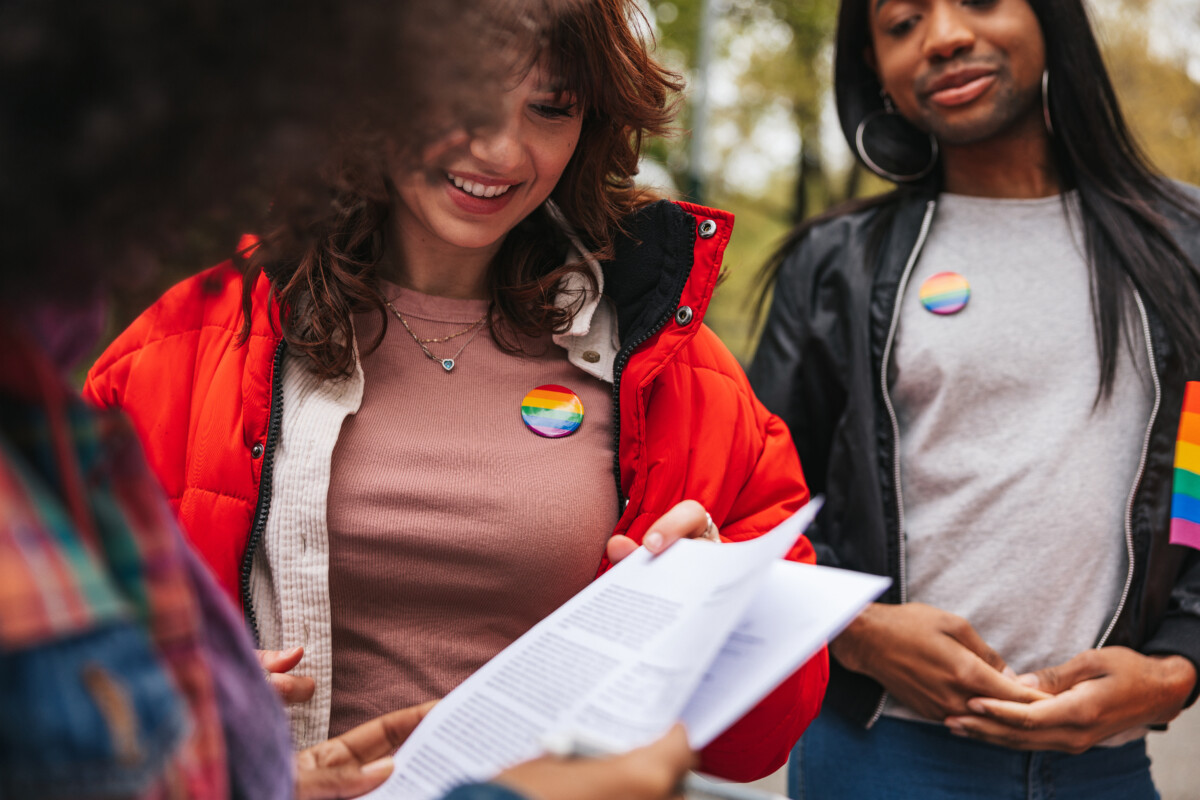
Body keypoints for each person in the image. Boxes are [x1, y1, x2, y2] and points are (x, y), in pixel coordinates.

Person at [84, 0, 828, 783]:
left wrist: (709, 611)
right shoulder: (181, 350)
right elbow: (49, 670)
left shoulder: (677, 368)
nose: (502, 150)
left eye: (550, 107)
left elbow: (760, 740)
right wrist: (174, 711)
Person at [749, 0, 1200, 797]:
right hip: (884, 756)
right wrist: (853, 632)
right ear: (875, 73)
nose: (946, 37)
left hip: (1109, 769)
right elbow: (757, 509)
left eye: (981, 1)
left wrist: (1177, 665)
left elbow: (1198, 491)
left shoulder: (1182, 251)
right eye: (902, 23)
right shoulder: (834, 266)